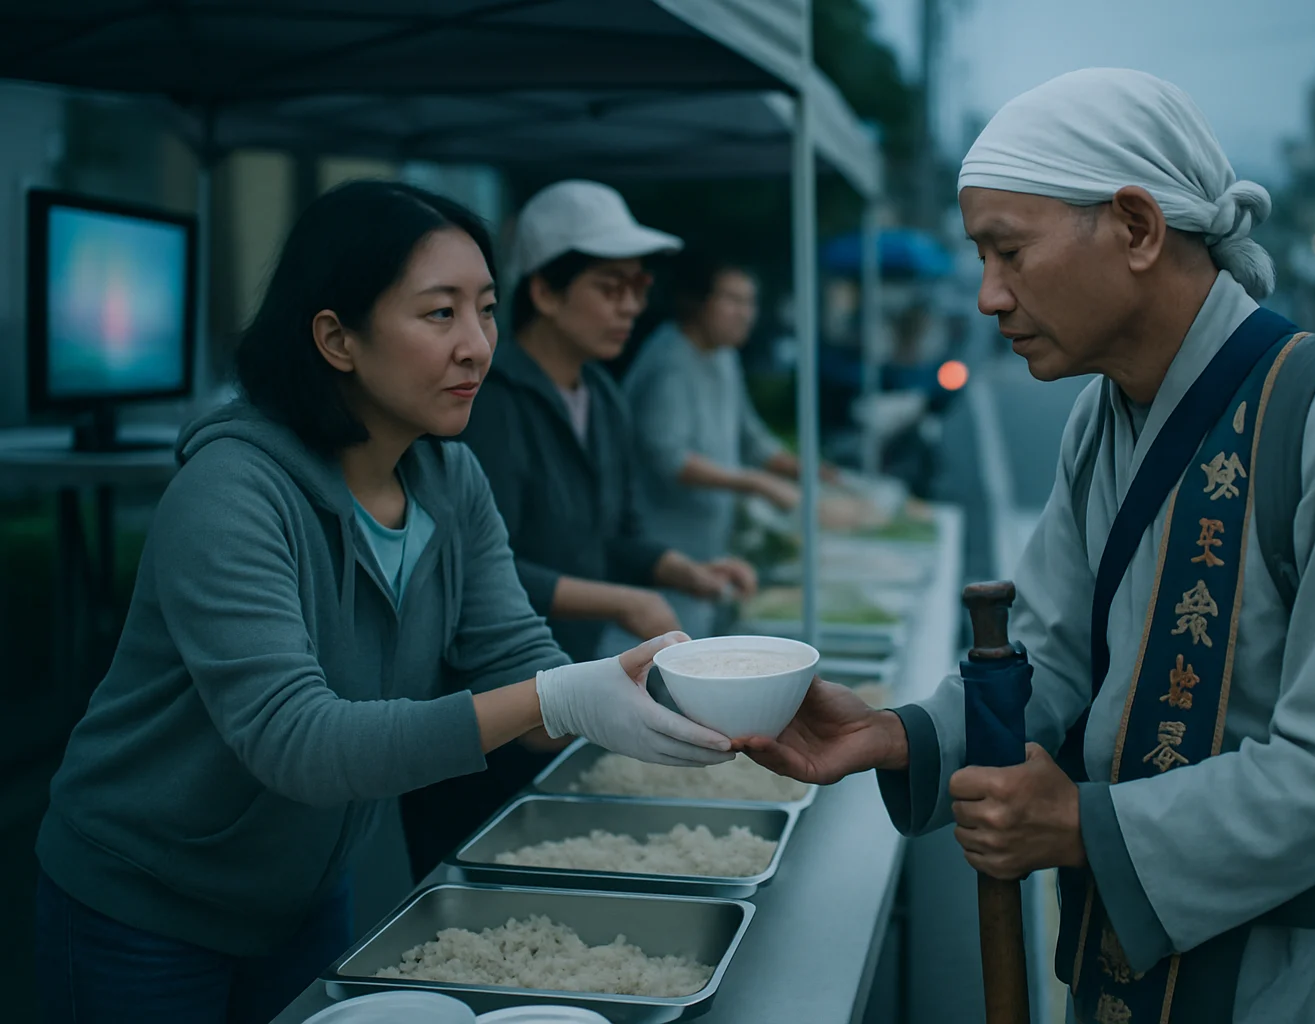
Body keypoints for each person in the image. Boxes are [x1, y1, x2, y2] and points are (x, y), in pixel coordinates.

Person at [742, 69, 1315, 1024]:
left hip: (1312, 977)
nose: (988, 296)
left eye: (1008, 251)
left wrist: (1084, 824)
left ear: (1136, 227)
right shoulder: (1104, 414)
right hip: (1135, 957)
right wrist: (901, 734)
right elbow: (1050, 658)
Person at [32, 180, 734, 1024]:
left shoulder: (449, 476)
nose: (477, 346)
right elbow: (299, 742)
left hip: (306, 895)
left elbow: (517, 661)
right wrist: (558, 695)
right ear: (337, 338)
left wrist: (646, 696)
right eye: (440, 314)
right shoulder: (232, 491)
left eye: (484, 309)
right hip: (144, 902)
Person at [399, 182, 758, 876]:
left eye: (637, 287)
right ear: (543, 292)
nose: (630, 305)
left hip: (568, 688)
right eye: (608, 286)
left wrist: (684, 570)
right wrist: (619, 601)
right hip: (484, 709)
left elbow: (615, 533)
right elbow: (477, 571)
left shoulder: (603, 395)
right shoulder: (486, 402)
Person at [623, 252, 825, 638]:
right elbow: (670, 459)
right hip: (661, 553)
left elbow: (751, 437)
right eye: (732, 300)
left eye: (750, 301)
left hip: (710, 549)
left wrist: (807, 469)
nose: (745, 313)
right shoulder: (669, 362)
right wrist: (755, 483)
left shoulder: (724, 357)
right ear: (695, 302)